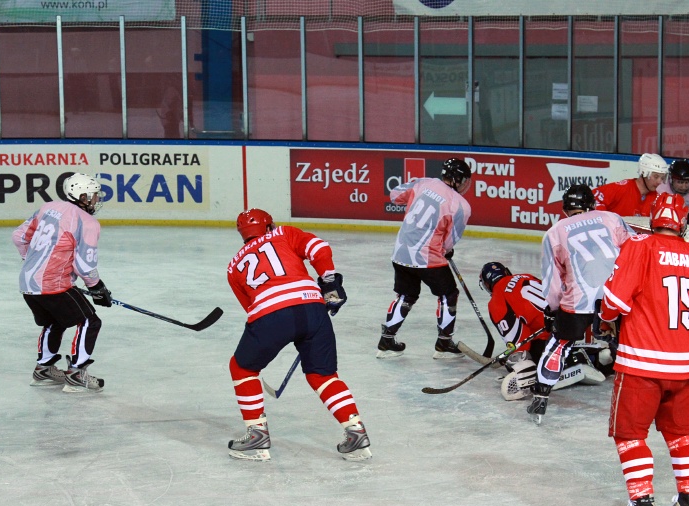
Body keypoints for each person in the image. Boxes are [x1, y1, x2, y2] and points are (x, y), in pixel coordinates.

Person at [597, 192, 689, 506]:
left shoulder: (640, 246)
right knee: (681, 435)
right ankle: (686, 504)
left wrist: (605, 321)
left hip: (640, 365)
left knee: (629, 434)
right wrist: (684, 349)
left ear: (653, 219)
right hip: (684, 368)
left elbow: (615, 301)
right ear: (683, 222)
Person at [226, 208, 371, 462]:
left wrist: (283, 327)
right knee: (323, 375)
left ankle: (257, 435)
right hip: (312, 309)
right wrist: (329, 283)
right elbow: (320, 248)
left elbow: (252, 308)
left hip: (270, 316)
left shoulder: (234, 266)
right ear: (269, 226)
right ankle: (355, 431)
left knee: (242, 369)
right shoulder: (284, 233)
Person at [527, 184, 634, 424]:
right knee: (628, 343)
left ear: (566, 209)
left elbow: (552, 281)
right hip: (615, 296)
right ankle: (637, 396)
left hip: (578, 301)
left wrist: (553, 308)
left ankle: (540, 397)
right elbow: (634, 252)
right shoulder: (611, 218)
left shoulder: (554, 232)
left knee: (560, 344)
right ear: (592, 205)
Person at [12, 173, 112, 393]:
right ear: (82, 195)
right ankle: (77, 373)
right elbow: (84, 265)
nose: (96, 200)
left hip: (28, 283)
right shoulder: (87, 222)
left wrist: (32, 261)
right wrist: (97, 287)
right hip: (52, 285)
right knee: (90, 322)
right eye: (94, 195)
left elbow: (19, 236)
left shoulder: (47, 207)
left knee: (55, 321)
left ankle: (44, 370)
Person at [377, 158, 472, 359]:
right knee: (448, 294)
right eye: (464, 180)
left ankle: (386, 340)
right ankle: (444, 343)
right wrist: (446, 250)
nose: (465, 185)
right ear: (457, 179)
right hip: (427, 257)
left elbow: (395, 195)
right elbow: (449, 241)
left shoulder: (423, 183)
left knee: (406, 295)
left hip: (401, 252)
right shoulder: (460, 205)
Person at [478, 261, 605, 401]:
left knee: (524, 359)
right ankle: (598, 355)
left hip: (553, 337)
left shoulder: (495, 301)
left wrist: (517, 358)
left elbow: (518, 337)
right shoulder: (525, 276)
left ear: (487, 284)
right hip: (576, 318)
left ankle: (577, 359)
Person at [594, 153, 668, 218]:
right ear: (643, 173)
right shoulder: (621, 189)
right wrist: (605, 220)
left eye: (662, 178)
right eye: (656, 176)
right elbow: (592, 198)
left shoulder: (657, 199)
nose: (659, 181)